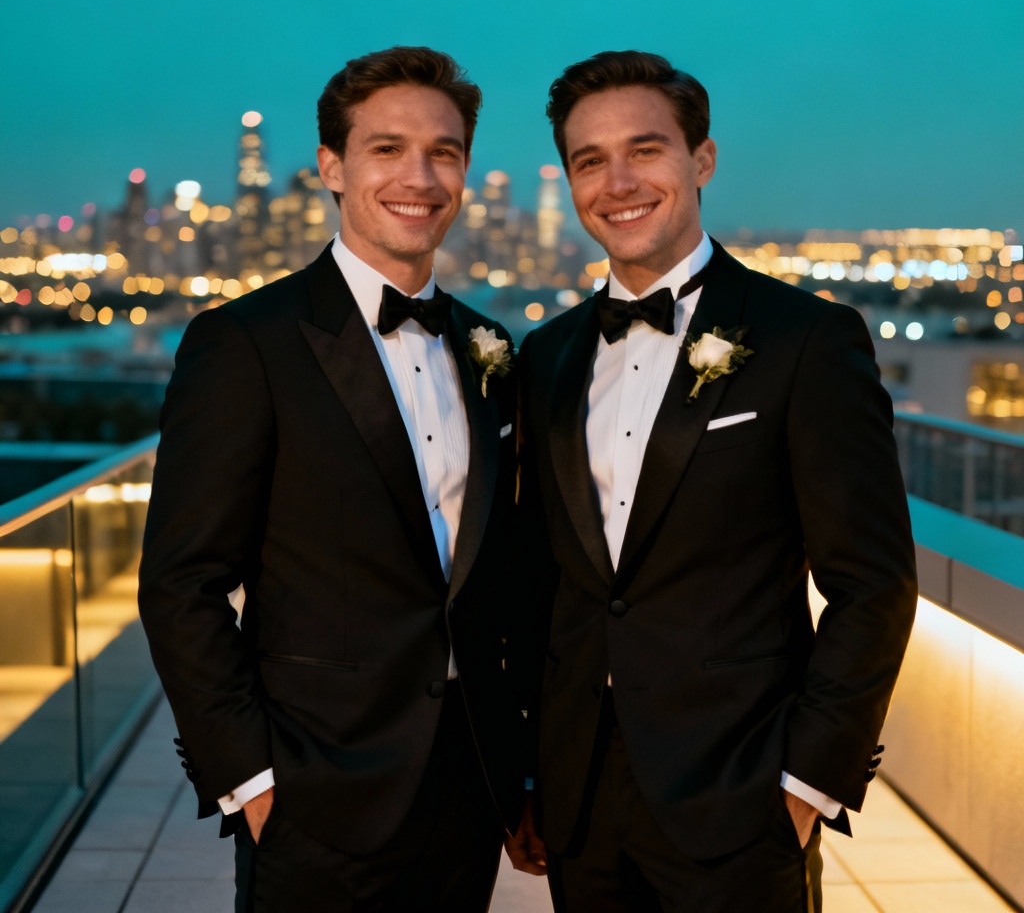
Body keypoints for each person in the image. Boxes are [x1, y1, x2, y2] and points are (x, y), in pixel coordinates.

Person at [512, 50, 918, 912]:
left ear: (701, 159)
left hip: (743, 792)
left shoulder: (808, 340)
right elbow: (543, 581)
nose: (618, 181)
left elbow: (872, 583)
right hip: (579, 800)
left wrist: (809, 782)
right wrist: (530, 770)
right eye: (590, 160)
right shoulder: (546, 357)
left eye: (645, 149)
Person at [138, 45, 526, 912]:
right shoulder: (245, 343)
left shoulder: (487, 345)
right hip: (315, 791)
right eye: (386, 148)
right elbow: (181, 585)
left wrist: (521, 760)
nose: (419, 176)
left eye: (444, 151)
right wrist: (254, 782)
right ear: (330, 168)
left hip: (468, 785)